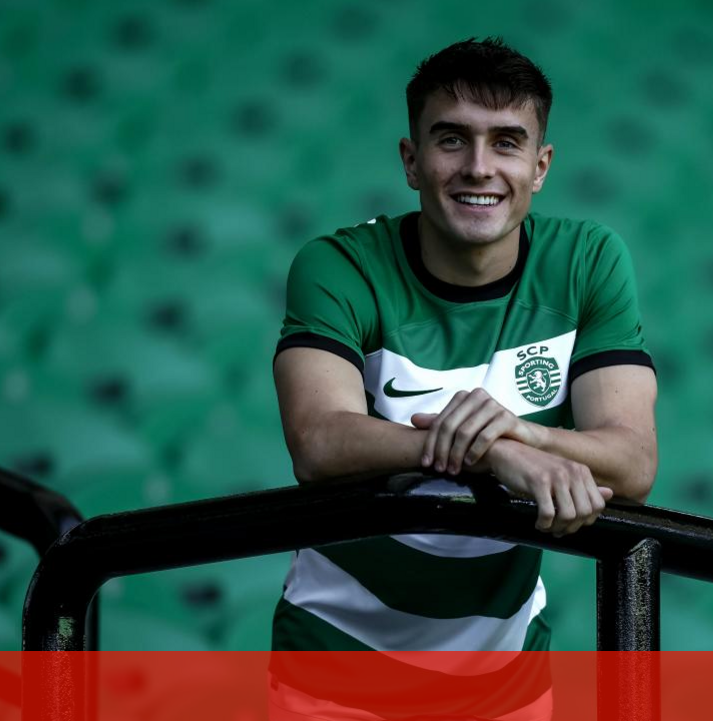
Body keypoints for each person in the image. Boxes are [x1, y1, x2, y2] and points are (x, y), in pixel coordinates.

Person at [269, 37, 658, 720]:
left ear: (540, 166)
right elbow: (319, 441)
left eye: (506, 142)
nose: (479, 167)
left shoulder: (587, 261)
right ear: (411, 160)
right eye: (452, 139)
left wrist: (521, 435)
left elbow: (631, 462)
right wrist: (493, 453)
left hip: (508, 680)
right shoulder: (339, 265)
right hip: (333, 670)